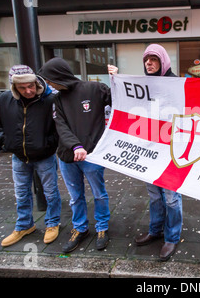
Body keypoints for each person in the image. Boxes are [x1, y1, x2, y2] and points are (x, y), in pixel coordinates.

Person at [108, 44, 183, 261]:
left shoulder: (177, 84)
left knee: (171, 198)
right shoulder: (142, 85)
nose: (149, 63)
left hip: (170, 152)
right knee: (154, 196)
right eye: (146, 60)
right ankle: (156, 230)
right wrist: (116, 81)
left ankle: (172, 237)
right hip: (148, 151)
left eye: (153, 59)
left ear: (163, 61)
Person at [39, 57, 112, 253]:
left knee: (99, 194)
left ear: (58, 76)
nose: (49, 84)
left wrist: (117, 79)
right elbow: (60, 126)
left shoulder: (95, 89)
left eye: (49, 79)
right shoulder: (57, 99)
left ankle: (102, 227)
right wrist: (75, 146)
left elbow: (121, 101)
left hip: (92, 156)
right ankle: (80, 228)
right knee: (75, 196)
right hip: (67, 156)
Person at [0, 65, 61, 247]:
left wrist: (49, 144)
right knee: (21, 194)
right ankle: (24, 225)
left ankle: (53, 223)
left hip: (44, 155)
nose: (28, 91)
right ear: (14, 87)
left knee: (51, 192)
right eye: (22, 88)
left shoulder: (49, 100)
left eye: (31, 86)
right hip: (19, 156)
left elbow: (59, 126)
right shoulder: (4, 99)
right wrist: (4, 141)